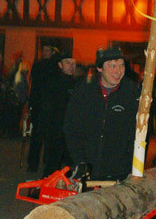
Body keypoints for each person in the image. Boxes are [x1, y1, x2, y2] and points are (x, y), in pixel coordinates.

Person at [63, 46, 139, 181]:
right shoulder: (84, 92)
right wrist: (79, 160)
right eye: (112, 66)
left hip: (119, 171)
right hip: (87, 167)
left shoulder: (131, 93)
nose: (118, 71)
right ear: (100, 68)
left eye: (121, 65)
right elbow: (71, 128)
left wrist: (130, 165)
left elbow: (136, 132)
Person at [26, 43, 58, 173]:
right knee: (37, 136)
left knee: (49, 137)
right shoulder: (39, 66)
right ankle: (33, 163)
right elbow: (34, 87)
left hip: (49, 107)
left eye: (47, 50)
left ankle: (47, 163)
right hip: (39, 106)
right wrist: (31, 104)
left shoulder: (54, 66)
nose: (45, 53)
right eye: (43, 50)